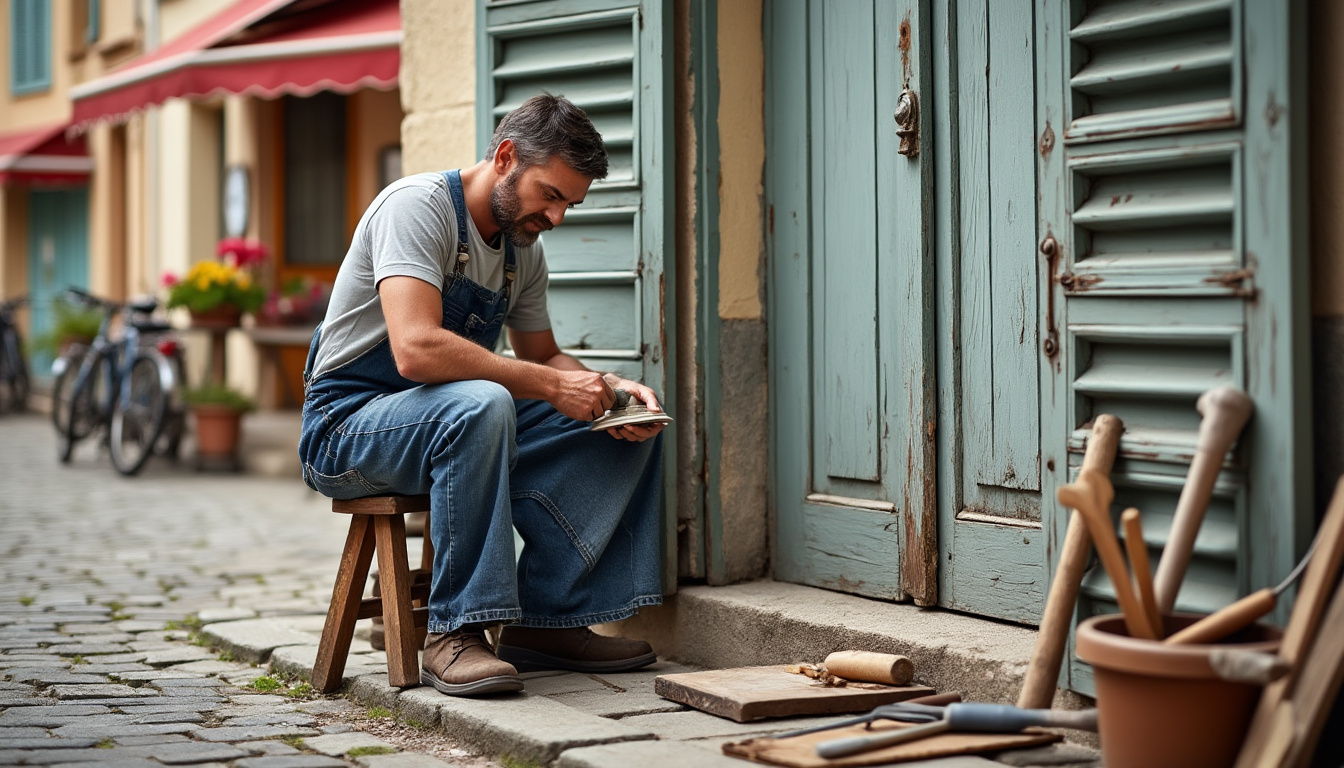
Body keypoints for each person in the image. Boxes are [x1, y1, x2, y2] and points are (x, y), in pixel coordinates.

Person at [298, 94, 666, 697]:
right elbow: (416, 349)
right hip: (346, 428)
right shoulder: (416, 208)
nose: (556, 217)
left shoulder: (523, 251)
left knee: (614, 423)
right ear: (505, 157)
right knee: (482, 403)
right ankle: (456, 631)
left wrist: (611, 390)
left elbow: (543, 355)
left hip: (450, 419)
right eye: (550, 195)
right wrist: (552, 385)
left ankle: (550, 620)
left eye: (569, 204)